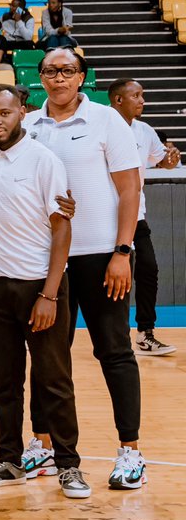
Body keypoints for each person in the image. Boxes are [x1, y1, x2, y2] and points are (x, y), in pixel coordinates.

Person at [24, 49, 145, 491]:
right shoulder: (28, 126)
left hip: (100, 256)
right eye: (51, 71)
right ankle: (41, 447)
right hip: (45, 260)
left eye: (68, 71)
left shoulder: (106, 121)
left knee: (113, 351)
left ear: (81, 78)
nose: (59, 78)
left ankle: (130, 452)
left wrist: (122, 251)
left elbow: (130, 188)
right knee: (46, 356)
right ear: (40, 77)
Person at [0, 84, 87, 499]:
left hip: (39, 284)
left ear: (22, 111)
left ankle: (69, 464)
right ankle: (10, 459)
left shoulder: (44, 160)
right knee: (4, 381)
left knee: (54, 379)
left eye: (4, 113)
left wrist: (50, 294)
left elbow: (61, 227)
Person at [108, 78, 181, 356]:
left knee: (148, 270)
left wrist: (170, 159)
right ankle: (114, 337)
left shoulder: (144, 130)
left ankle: (145, 334)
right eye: (136, 96)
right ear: (118, 100)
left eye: (142, 95)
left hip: (136, 216)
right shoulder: (101, 127)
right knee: (115, 281)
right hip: (105, 219)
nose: (142, 101)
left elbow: (162, 160)